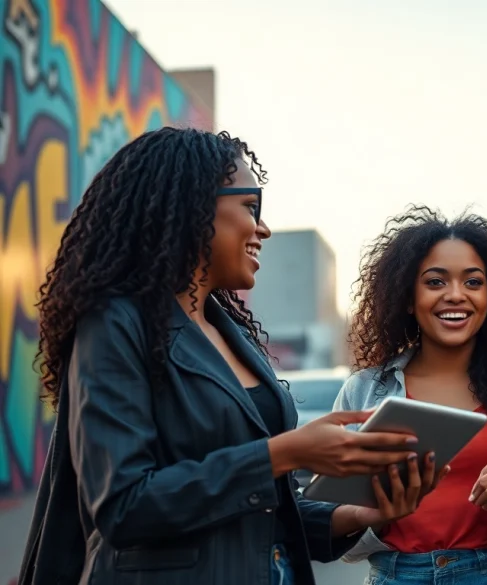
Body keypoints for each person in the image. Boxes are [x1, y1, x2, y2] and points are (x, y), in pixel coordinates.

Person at [19, 128, 436, 585]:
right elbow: (124, 505)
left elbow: (264, 511)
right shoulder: (116, 322)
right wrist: (282, 453)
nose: (263, 228)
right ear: (194, 207)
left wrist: (358, 514)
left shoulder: (229, 330)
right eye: (251, 207)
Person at [334, 206, 487, 584]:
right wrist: (379, 510)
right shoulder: (364, 389)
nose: (456, 295)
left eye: (473, 282)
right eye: (435, 282)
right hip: (395, 575)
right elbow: (332, 526)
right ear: (407, 296)